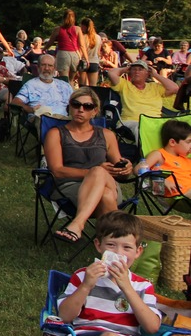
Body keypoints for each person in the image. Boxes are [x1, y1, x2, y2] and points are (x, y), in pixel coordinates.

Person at [45, 88, 132, 244]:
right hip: (69, 187)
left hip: (109, 183)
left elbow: (121, 173)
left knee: (99, 173)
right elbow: (57, 171)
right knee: (104, 193)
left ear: (95, 111)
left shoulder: (106, 135)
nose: (81, 109)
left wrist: (126, 168)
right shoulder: (56, 134)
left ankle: (78, 224)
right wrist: (92, 172)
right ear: (70, 106)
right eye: (76, 104)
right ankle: (117, 246)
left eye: (87, 106)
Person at [57, 211, 161, 336]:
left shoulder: (142, 286)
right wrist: (86, 286)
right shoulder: (83, 276)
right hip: (86, 335)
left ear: (138, 252)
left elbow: (152, 327)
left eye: (126, 248)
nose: (118, 253)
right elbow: (64, 316)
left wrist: (127, 288)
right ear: (98, 245)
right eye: (111, 245)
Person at [104, 60, 179, 135]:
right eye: (134, 69)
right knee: (141, 128)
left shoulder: (154, 87)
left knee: (175, 129)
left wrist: (156, 75)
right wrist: (124, 69)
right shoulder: (124, 85)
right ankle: (145, 147)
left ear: (147, 73)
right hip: (132, 122)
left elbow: (175, 88)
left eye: (140, 69)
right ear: (129, 72)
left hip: (155, 122)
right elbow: (111, 73)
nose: (137, 72)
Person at [137, 120, 191, 198]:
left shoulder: (187, 160)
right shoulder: (160, 155)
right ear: (172, 142)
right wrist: (163, 180)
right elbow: (138, 170)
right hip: (180, 195)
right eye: (188, 142)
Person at [47, 9, 85, 87]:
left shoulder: (58, 29)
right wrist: (86, 58)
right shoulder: (77, 29)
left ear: (63, 18)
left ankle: (64, 96)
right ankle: (71, 95)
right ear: (74, 18)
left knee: (64, 79)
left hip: (63, 54)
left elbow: (50, 43)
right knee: (71, 79)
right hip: (74, 55)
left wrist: (43, 49)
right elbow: (82, 45)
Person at [78, 18, 101, 87]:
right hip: (94, 62)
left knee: (82, 86)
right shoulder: (98, 37)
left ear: (84, 26)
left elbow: (80, 50)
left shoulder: (82, 37)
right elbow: (98, 52)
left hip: (84, 62)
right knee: (93, 86)